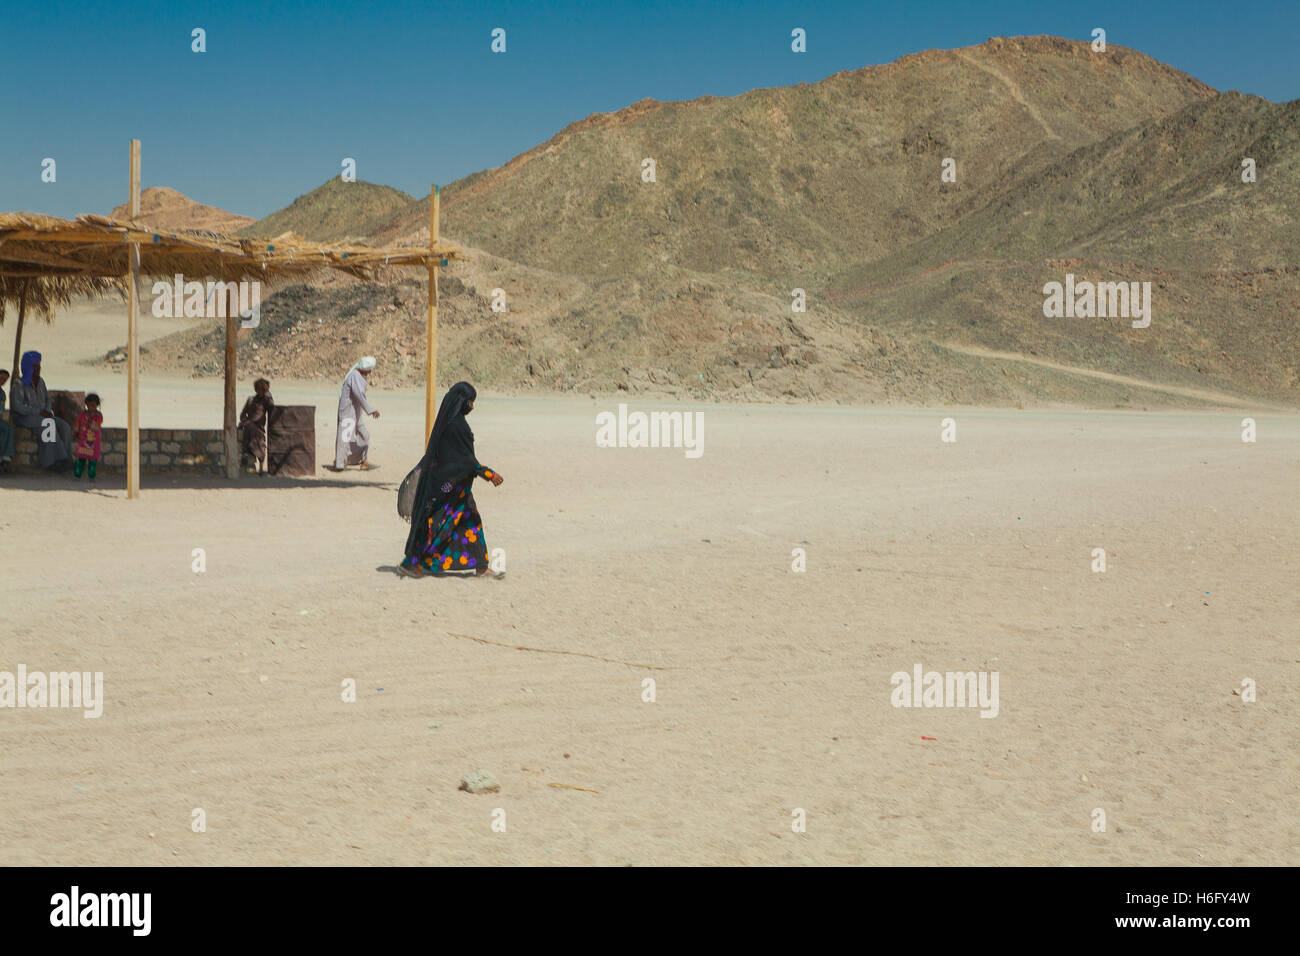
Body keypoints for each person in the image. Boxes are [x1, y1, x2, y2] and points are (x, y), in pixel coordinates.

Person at [400, 381, 504, 578]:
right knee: (441, 525)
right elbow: (466, 461)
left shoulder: (449, 422)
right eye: (470, 402)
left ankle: (481, 566)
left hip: (454, 486)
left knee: (470, 523)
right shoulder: (456, 426)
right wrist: (489, 474)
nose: (472, 406)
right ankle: (414, 563)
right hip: (450, 488)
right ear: (462, 401)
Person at [9, 351, 73, 470]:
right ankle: (53, 462)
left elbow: (47, 399)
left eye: (39, 366)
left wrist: (47, 411)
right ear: (28, 367)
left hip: (43, 415)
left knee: (65, 427)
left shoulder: (41, 382)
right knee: (48, 426)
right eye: (35, 366)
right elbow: (18, 407)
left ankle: (67, 458)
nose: (38, 369)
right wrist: (38, 412)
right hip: (24, 418)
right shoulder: (19, 384)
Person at [334, 356, 380, 470]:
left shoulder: (358, 376)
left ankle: (363, 461)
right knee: (345, 438)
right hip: (348, 412)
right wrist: (372, 410)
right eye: (369, 369)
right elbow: (360, 396)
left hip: (356, 413)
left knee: (365, 435)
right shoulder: (354, 376)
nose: (370, 372)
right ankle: (339, 464)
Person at [238, 377, 275, 473]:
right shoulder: (251, 399)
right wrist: (245, 421)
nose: (260, 392)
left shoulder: (266, 401)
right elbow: (243, 413)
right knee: (250, 430)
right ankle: (245, 454)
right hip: (249, 425)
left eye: (263, 390)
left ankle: (261, 468)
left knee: (261, 446)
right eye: (259, 389)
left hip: (259, 428)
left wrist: (268, 394)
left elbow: (272, 407)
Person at [73, 393, 104, 480]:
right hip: (83, 441)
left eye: (93, 406)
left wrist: (90, 419)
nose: (90, 408)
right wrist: (75, 432)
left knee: (93, 461)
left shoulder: (99, 416)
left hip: (93, 442)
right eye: (88, 405)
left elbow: (95, 427)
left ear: (97, 405)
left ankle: (91, 476)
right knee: (80, 459)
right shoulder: (82, 415)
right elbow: (78, 424)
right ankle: (77, 475)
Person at [0, 370, 15, 471]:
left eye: (5, 380)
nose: (2, 381)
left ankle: (6, 456)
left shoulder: (2, 393)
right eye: (1, 378)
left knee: (8, 428)